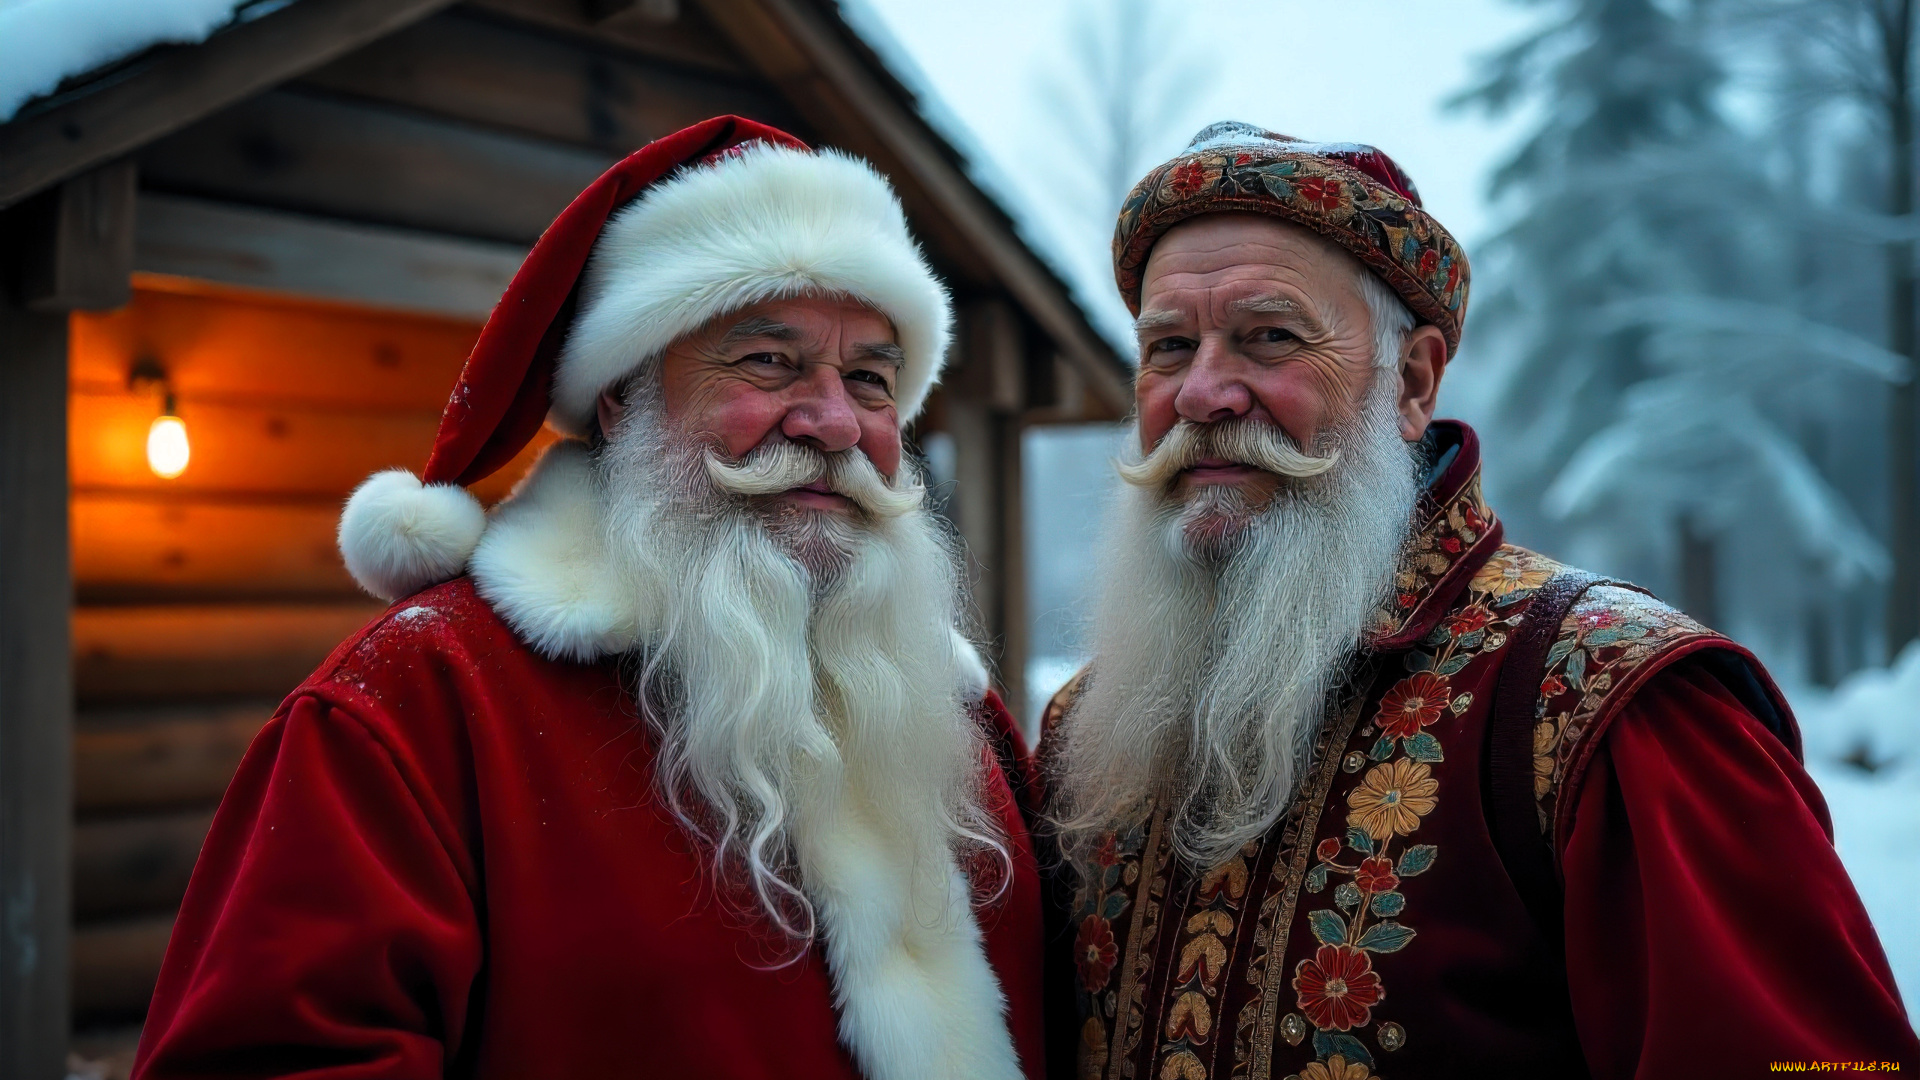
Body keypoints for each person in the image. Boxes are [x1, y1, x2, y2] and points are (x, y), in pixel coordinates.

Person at [132, 116, 1043, 1080]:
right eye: (766, 361)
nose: (832, 423)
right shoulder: (415, 706)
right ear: (624, 396)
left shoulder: (957, 717)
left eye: (869, 379)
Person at [1037, 121, 1917, 1079]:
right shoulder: (1087, 731)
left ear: (1411, 383)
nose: (1202, 393)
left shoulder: (1613, 707)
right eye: (1168, 348)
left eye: (1270, 337)